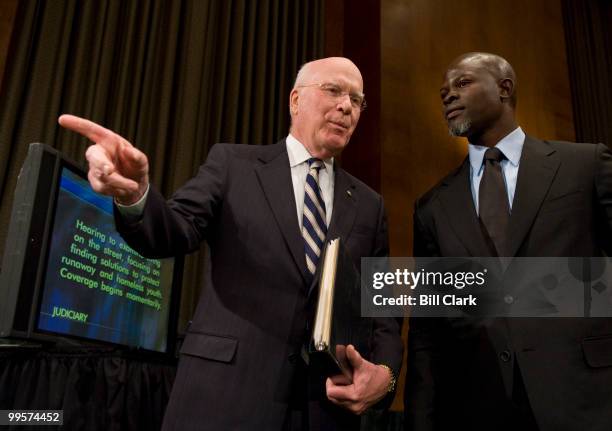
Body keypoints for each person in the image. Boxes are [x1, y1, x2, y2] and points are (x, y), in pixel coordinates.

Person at [59, 57, 402, 431]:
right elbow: (175, 230)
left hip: (324, 411)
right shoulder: (233, 164)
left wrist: (386, 374)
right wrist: (137, 195)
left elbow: (379, 303)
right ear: (295, 100)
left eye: (356, 99)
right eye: (334, 90)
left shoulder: (369, 204)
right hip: (223, 397)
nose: (346, 106)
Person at [404, 52, 612, 431]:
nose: (448, 95)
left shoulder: (586, 165)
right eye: (443, 92)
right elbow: (427, 331)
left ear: (504, 88)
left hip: (587, 398)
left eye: (462, 83)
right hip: (477, 408)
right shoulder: (432, 207)